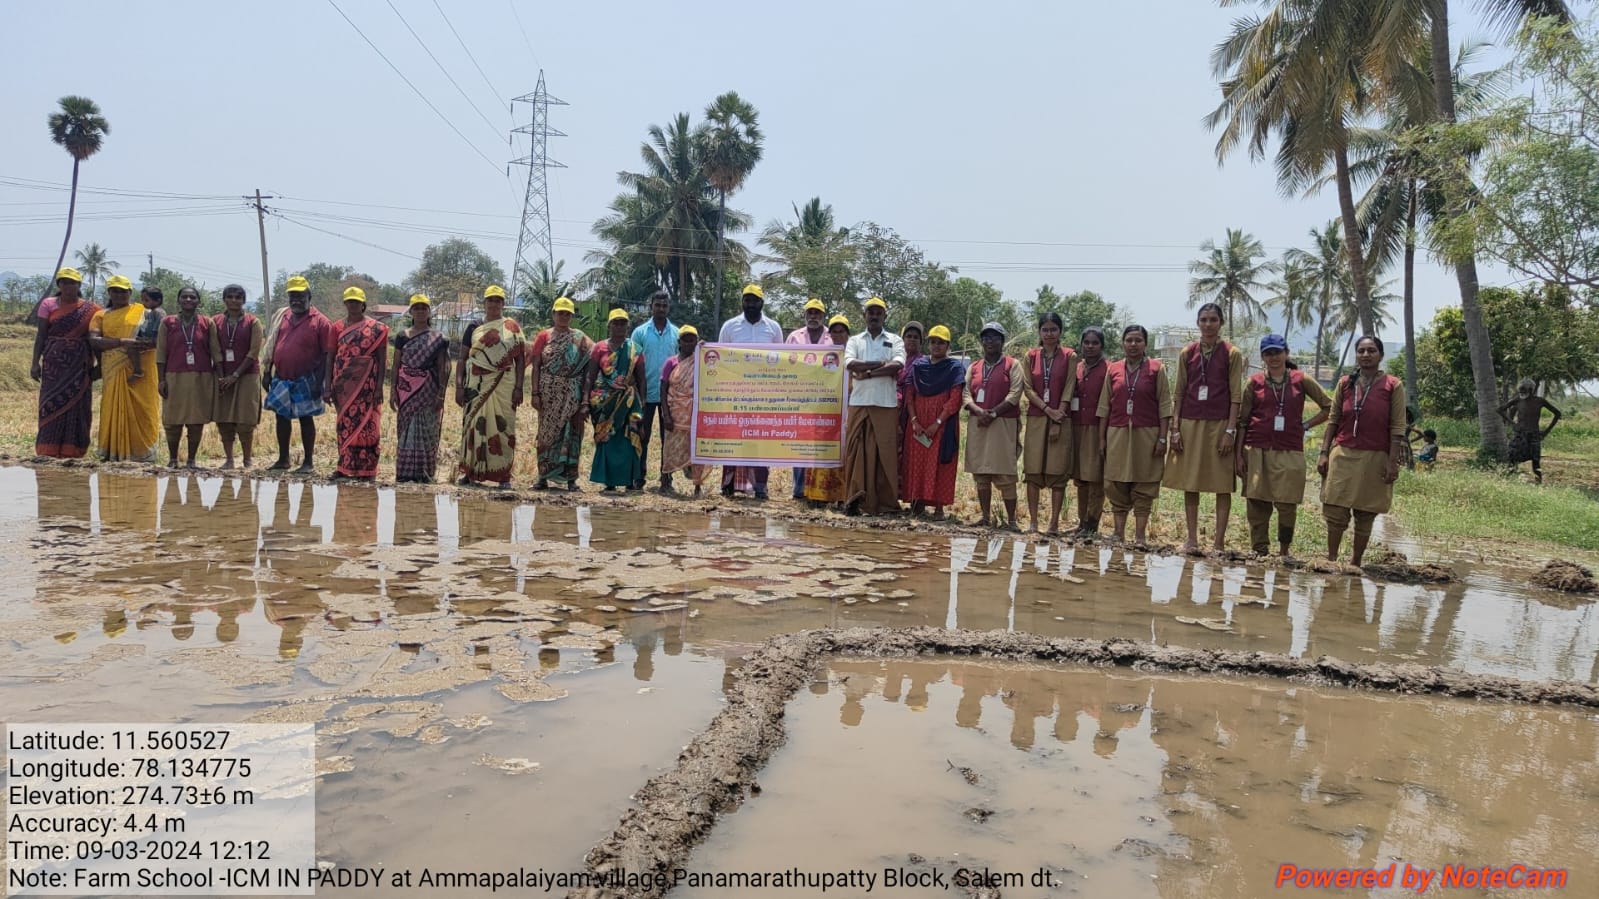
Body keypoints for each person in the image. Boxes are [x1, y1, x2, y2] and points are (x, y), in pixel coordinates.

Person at [1234, 335, 1331, 557]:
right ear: (1263, 356)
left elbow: (1328, 407)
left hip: (1290, 450)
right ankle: (1260, 549)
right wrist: (1239, 454)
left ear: (1286, 353)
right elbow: (1243, 421)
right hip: (1257, 449)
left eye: (1277, 352)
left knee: (1287, 503)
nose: (1274, 357)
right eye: (1268, 353)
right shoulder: (1254, 382)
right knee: (1257, 502)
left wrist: (1306, 424)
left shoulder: (1300, 379)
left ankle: (1284, 550)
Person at [1318, 336, 1407, 567]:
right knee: (1336, 510)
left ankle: (1355, 562)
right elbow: (1333, 419)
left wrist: (1392, 461)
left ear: (1380, 355)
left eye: (1371, 351)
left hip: (1376, 456)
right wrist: (1324, 452)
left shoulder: (1392, 385)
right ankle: (1331, 559)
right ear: (1356, 355)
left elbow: (1397, 426)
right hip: (1343, 454)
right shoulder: (1345, 383)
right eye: (1361, 351)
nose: (1366, 355)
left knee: (1365, 513)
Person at [1164, 303, 1245, 554]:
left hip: (1220, 423)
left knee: (1222, 484)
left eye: (1213, 320)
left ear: (1220, 323)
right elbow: (1178, 392)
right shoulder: (1188, 352)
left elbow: (1235, 395)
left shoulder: (1232, 353)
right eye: (1203, 320)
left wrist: (1230, 431)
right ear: (1197, 323)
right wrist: (1175, 428)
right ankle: (1192, 539)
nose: (1208, 324)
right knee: (1191, 481)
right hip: (1189, 422)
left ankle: (1219, 543)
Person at [1098, 325, 1172, 547]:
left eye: (1138, 340)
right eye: (1129, 340)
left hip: (1147, 434)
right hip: (1117, 433)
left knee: (1145, 482)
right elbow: (1104, 406)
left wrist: (1162, 438)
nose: (1133, 344)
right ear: (1123, 343)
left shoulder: (1157, 369)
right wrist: (1102, 438)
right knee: (1116, 481)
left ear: (1145, 343)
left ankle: (1139, 536)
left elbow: (1165, 406)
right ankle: (1118, 533)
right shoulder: (1114, 369)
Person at [718, 284, 785, 499]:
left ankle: (760, 487)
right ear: (742, 302)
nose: (750, 304)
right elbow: (720, 359)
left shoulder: (773, 328)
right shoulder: (730, 327)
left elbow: (781, 361)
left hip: (764, 396)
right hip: (736, 394)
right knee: (733, 437)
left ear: (761, 303)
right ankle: (728, 485)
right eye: (747, 300)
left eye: (754, 300)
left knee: (761, 439)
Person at [262, 275, 334, 472]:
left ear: (309, 296)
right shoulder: (282, 316)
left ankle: (308, 462)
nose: (296, 300)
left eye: (300, 296)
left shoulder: (321, 322)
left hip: (307, 378)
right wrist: (267, 371)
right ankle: (283, 459)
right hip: (281, 376)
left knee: (305, 418)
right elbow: (271, 344)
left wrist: (319, 383)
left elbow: (328, 354)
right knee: (281, 417)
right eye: (292, 296)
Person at [841, 298, 906, 515]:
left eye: (879, 312)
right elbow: (850, 364)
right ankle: (854, 498)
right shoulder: (855, 340)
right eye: (871, 312)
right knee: (855, 452)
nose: (875, 316)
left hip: (885, 404)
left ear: (885, 316)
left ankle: (884, 504)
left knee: (884, 455)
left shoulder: (895, 340)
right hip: (859, 403)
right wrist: (880, 364)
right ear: (865, 316)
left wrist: (867, 373)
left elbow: (897, 365)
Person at [456, 285, 525, 487]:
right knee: (472, 427)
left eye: (498, 300)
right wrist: (459, 386)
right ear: (484, 303)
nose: (494, 304)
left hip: (504, 386)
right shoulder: (473, 327)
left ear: (503, 304)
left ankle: (503, 476)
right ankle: (470, 472)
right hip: (476, 386)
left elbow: (520, 360)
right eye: (490, 300)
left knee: (503, 428)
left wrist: (519, 387)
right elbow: (462, 358)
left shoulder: (512, 327)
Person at [87, 274, 159, 462]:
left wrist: (146, 343)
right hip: (114, 366)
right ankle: (112, 451)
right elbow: (94, 340)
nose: (119, 294)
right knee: (113, 405)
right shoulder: (101, 315)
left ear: (130, 292)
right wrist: (121, 341)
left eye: (123, 291)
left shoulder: (143, 310)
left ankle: (143, 453)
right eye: (115, 291)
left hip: (143, 366)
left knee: (143, 407)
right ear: (109, 292)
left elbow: (157, 335)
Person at [32, 267, 101, 458]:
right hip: (53, 365)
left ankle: (74, 450)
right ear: (59, 285)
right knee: (49, 404)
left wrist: (100, 367)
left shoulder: (92, 309)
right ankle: (48, 449)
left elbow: (96, 338)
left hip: (79, 366)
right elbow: (41, 335)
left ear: (79, 286)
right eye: (64, 282)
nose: (68, 286)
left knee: (78, 405)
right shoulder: (48, 304)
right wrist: (35, 363)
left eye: (72, 282)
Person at [529, 296, 594, 490]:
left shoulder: (580, 338)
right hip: (548, 393)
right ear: (553, 314)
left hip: (572, 395)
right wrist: (534, 393)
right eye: (560, 313)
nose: (564, 316)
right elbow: (536, 366)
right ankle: (543, 476)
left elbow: (592, 360)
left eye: (567, 313)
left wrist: (584, 398)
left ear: (572, 316)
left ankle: (571, 479)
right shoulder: (544, 336)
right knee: (546, 433)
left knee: (571, 434)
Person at [964, 321, 1025, 529]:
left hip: (1003, 423)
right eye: (986, 338)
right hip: (978, 423)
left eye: (995, 338)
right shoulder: (974, 367)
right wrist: (979, 411)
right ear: (982, 342)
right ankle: (986, 517)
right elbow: (965, 393)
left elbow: (1015, 393)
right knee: (981, 472)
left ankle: (1012, 521)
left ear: (1002, 341)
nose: (990, 342)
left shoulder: (1012, 365)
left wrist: (994, 412)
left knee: (1006, 472)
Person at [901, 325, 964, 520]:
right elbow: (909, 395)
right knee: (916, 462)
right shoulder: (919, 367)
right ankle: (916, 503)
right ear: (928, 344)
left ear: (948, 346)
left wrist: (937, 423)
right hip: (918, 424)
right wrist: (914, 421)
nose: (936, 346)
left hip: (942, 424)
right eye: (933, 342)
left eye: (941, 343)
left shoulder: (954, 368)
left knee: (940, 464)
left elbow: (955, 398)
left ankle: (939, 508)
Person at [1022, 312, 1077, 535]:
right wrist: (1047, 410)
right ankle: (1034, 522)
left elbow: (1070, 385)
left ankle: (1053, 523)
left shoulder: (1070, 356)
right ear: (1039, 332)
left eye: (1054, 329)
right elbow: (1027, 387)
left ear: (1060, 331)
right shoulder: (1030, 356)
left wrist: (1058, 415)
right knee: (1033, 470)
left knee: (1057, 471)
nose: (1049, 333)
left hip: (1061, 418)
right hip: (1037, 417)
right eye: (1045, 329)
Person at [329, 286, 389, 480]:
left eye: (356, 302)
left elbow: (381, 359)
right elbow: (330, 356)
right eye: (349, 302)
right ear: (345, 304)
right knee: (345, 423)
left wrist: (379, 387)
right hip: (343, 384)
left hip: (367, 384)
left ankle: (367, 469)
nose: (353, 305)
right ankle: (344, 466)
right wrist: (328, 385)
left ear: (363, 304)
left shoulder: (377, 329)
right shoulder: (337, 327)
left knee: (368, 425)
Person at [390, 294, 451, 483]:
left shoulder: (439, 338)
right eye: (416, 308)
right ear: (411, 312)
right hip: (406, 389)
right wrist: (392, 390)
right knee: (406, 427)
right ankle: (405, 472)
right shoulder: (402, 336)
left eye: (423, 308)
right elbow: (396, 365)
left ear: (429, 311)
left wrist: (441, 394)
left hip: (429, 389)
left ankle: (425, 473)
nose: (420, 311)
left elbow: (444, 367)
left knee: (427, 428)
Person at [155, 287, 216, 468]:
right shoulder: (168, 323)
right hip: (174, 376)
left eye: (192, 297)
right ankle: (173, 459)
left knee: (196, 420)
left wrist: (218, 378)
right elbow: (160, 354)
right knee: (172, 420)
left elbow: (215, 352)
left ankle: (191, 460)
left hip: (201, 377)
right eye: (184, 297)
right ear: (178, 300)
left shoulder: (207, 323)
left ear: (198, 301)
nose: (188, 299)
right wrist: (161, 380)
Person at [587, 308, 646, 491]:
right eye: (616, 323)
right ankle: (609, 482)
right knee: (608, 439)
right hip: (604, 403)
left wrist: (642, 402)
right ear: (609, 325)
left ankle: (629, 480)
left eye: (623, 323)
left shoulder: (635, 349)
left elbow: (642, 378)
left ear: (628, 326)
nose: (619, 326)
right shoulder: (599, 348)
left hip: (628, 402)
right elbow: (590, 375)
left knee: (628, 439)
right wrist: (585, 401)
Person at [630, 288, 678, 490]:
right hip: (645, 393)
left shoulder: (676, 333)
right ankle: (638, 477)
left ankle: (666, 478)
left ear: (668, 308)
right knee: (643, 435)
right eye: (657, 305)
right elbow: (633, 364)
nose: (661, 309)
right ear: (651, 307)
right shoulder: (640, 332)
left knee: (668, 437)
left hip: (669, 396)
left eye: (664, 305)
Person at [213, 284, 264, 470]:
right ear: (224, 299)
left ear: (243, 300)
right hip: (222, 377)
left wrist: (235, 375)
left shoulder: (253, 322)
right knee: (224, 419)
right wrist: (222, 377)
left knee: (245, 421)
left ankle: (247, 459)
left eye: (238, 297)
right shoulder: (215, 322)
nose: (234, 300)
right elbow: (214, 350)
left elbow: (253, 352)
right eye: (230, 297)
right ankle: (229, 459)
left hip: (247, 376)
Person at [807, 314, 856, 508]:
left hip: (848, 409)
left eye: (841, 331)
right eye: (834, 331)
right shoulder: (822, 356)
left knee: (844, 452)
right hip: (825, 409)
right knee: (822, 451)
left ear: (847, 334)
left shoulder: (854, 355)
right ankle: (818, 495)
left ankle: (842, 496)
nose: (837, 335)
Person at [788, 299, 833, 499]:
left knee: (822, 444)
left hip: (826, 399)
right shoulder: (794, 337)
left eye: (817, 313)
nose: (813, 316)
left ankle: (819, 489)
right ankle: (799, 489)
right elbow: (784, 363)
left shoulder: (833, 337)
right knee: (800, 444)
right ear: (805, 315)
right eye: (810, 312)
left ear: (823, 316)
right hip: (800, 399)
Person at [659, 326, 710, 496]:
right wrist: (665, 414)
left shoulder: (702, 362)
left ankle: (697, 487)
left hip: (695, 414)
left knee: (696, 450)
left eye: (692, 339)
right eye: (685, 339)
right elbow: (663, 388)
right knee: (670, 448)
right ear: (679, 342)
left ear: (696, 341)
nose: (688, 342)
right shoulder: (671, 362)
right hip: (675, 412)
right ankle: (665, 482)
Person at [1070, 327, 1109, 536]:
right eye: (1087, 342)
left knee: (1095, 477)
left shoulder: (1109, 370)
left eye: (1095, 343)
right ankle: (1081, 521)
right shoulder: (1076, 368)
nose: (1090, 346)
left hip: (1097, 428)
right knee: (1080, 478)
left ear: (1101, 346)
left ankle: (1093, 524)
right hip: (1076, 427)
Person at [1499, 378, 1562, 484]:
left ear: (1531, 390)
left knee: (1536, 461)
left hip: (1534, 435)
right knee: (1512, 457)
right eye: (1521, 390)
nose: (1522, 393)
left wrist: (1546, 431)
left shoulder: (1539, 401)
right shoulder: (1518, 400)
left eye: (1524, 390)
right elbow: (1500, 410)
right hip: (1520, 434)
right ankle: (1508, 480)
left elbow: (1557, 414)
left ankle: (1538, 483)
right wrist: (1513, 423)